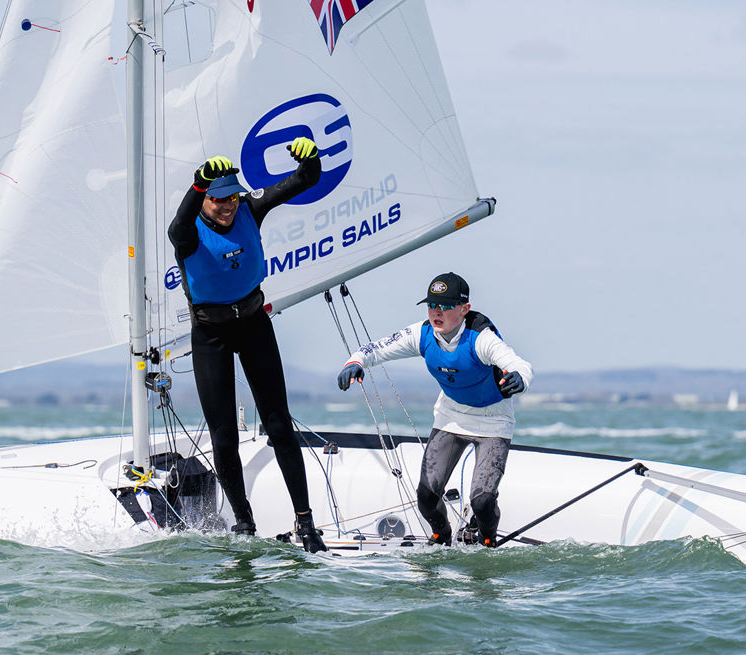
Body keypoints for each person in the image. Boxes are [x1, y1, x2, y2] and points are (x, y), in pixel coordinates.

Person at [167, 137, 327, 553]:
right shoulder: (188, 233)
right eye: (218, 199)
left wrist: (310, 159)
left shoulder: (249, 210)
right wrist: (198, 183)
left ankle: (306, 522)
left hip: (254, 324)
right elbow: (176, 225)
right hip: (211, 335)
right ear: (204, 198)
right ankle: (243, 522)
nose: (228, 206)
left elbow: (304, 180)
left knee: (279, 425)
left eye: (232, 198)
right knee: (223, 437)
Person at [336, 273, 532, 547]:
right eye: (431, 305)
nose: (436, 312)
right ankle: (442, 536)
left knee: (482, 501)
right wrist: (355, 362)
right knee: (427, 497)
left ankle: (487, 541)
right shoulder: (422, 333)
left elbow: (518, 364)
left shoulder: (481, 339)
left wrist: (520, 378)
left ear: (464, 309)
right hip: (451, 416)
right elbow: (377, 348)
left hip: (493, 420)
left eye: (446, 306)